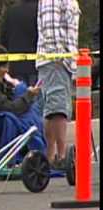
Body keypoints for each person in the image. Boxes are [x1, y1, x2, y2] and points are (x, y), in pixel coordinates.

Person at [36, 0, 80, 169]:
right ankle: (59, 157)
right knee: (58, 110)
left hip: (59, 62)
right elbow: (51, 32)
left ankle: (52, 156)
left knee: (53, 109)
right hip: (56, 61)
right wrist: (64, 60)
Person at [0, 0, 39, 86]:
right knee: (35, 95)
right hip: (35, 64)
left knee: (19, 96)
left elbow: (3, 38)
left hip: (15, 65)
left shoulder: (11, 11)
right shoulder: (40, 11)